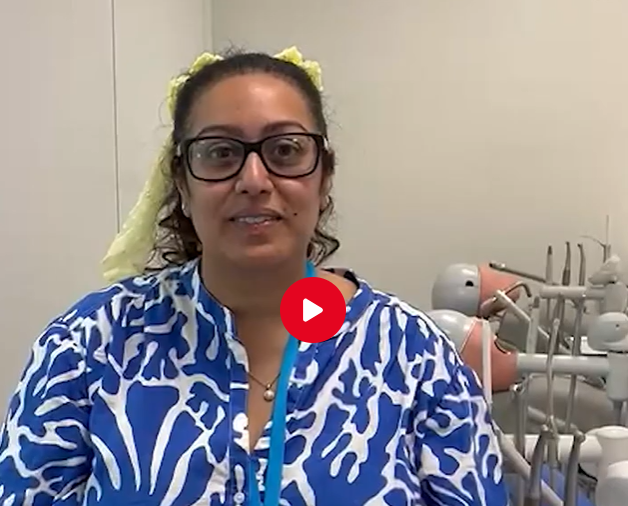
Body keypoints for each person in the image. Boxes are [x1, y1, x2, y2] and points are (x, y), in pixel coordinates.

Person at [0, 46, 509, 506]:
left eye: (285, 150)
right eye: (220, 152)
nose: (254, 180)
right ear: (182, 183)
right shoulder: (90, 344)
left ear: (323, 177)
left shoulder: (412, 354)